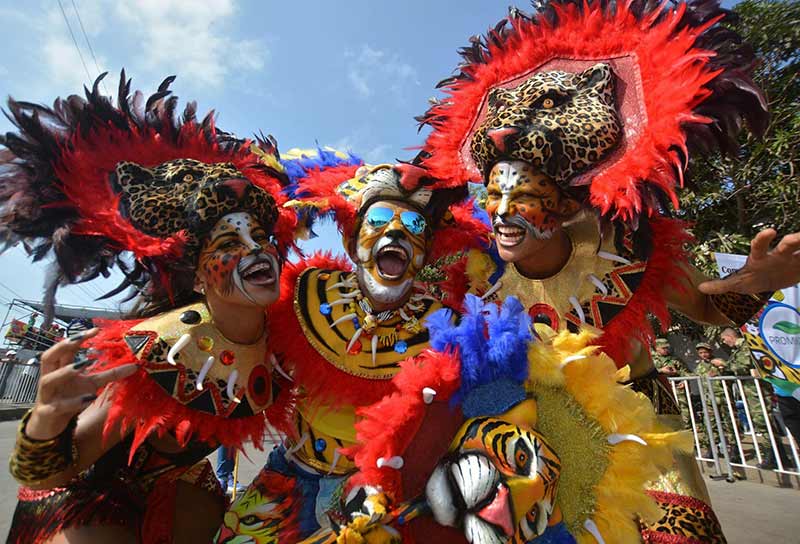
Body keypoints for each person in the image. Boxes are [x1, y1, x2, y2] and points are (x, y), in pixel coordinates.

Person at [414, 0, 800, 540]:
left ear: (566, 207)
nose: (500, 212)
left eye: (521, 197)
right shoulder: (481, 272)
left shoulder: (630, 248)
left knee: (682, 534)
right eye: (493, 194)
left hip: (638, 424)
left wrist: (754, 283)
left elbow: (709, 306)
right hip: (536, 429)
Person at [0, 72, 297, 544]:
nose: (254, 251)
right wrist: (44, 424)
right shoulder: (157, 349)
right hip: (87, 488)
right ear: (199, 276)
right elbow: (53, 472)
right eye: (228, 242)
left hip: (177, 485)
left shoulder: (290, 334)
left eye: (260, 238)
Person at [218, 159, 487, 542]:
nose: (395, 234)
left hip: (374, 493)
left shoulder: (445, 326)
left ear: (424, 255)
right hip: (289, 476)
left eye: (412, 229)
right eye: (378, 221)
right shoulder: (307, 291)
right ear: (351, 241)